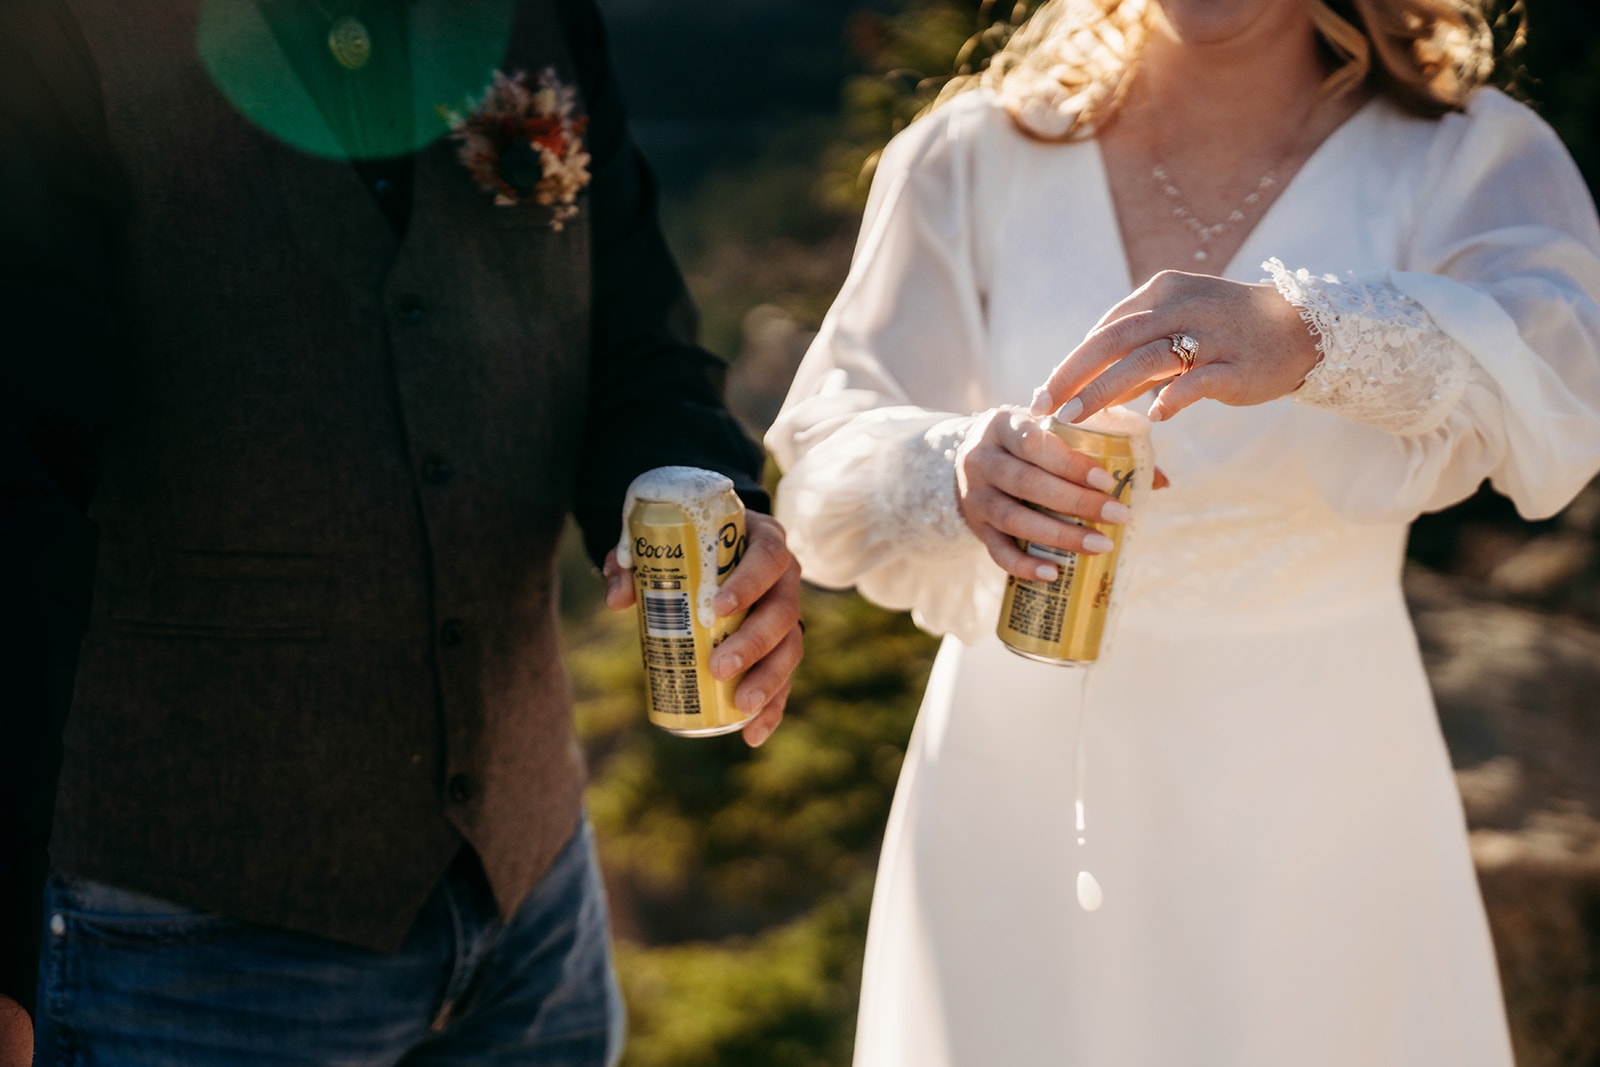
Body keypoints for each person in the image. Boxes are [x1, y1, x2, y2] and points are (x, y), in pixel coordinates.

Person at [766, 0, 1600, 1063]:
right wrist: (957, 469)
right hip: (1012, 776)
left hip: (1317, 778)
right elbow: (826, 456)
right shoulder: (972, 153)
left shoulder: (1463, 152)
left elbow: (1565, 369)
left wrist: (1316, 335)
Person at [0, 0, 802, 1059]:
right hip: (179, 940)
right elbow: (16, 479)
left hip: (536, 914)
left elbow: (637, 342)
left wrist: (698, 492)